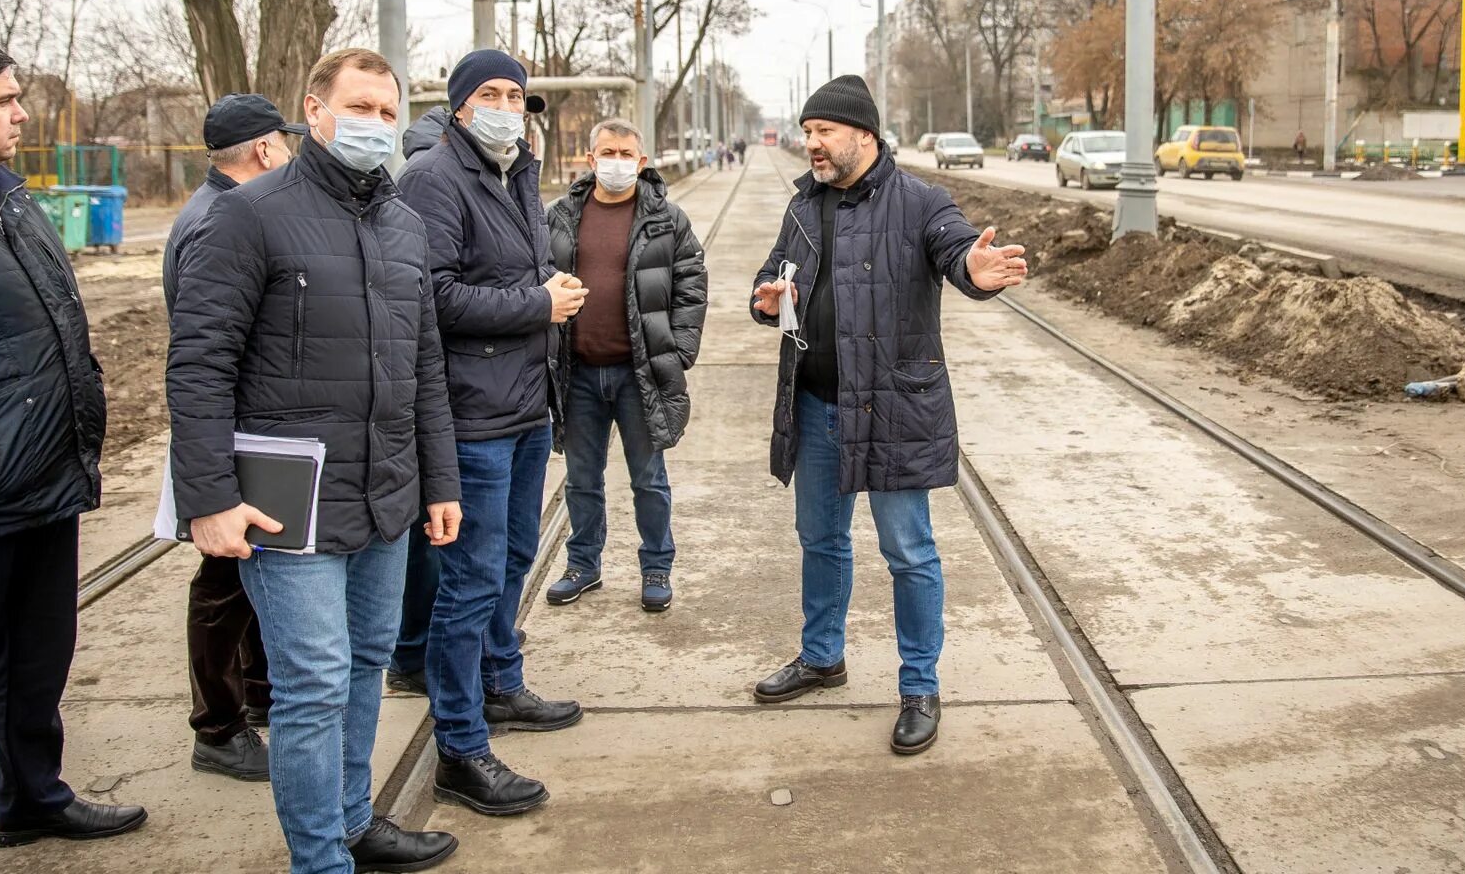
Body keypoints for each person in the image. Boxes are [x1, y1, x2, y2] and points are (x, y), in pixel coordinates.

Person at [167, 48, 462, 874]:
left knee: (367, 662)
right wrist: (209, 496)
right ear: (314, 110)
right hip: (285, 502)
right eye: (359, 107)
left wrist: (439, 481)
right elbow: (198, 363)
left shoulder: (406, 226)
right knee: (313, 684)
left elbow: (425, 366)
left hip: (387, 495)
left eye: (386, 110)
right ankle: (319, 859)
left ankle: (352, 820)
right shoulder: (250, 215)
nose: (374, 124)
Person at [0, 33, 147, 869]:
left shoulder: (4, 193)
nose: (21, 113)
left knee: (38, 665)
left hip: (43, 484)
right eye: (3, 101)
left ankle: (32, 798)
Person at [748, 75, 1028, 756]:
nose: (811, 143)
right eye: (808, 132)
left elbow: (955, 248)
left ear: (864, 136)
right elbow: (770, 277)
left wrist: (974, 267)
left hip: (896, 407)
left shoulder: (919, 202)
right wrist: (763, 299)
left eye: (824, 133)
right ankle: (822, 657)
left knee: (908, 552)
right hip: (814, 406)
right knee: (820, 538)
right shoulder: (802, 208)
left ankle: (919, 687)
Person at [396, 49, 583, 817]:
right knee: (468, 581)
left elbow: (511, 275)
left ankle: (501, 682)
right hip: (472, 415)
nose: (508, 104)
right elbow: (433, 296)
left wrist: (547, 296)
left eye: (517, 92)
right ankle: (460, 747)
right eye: (493, 93)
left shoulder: (514, 172)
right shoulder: (435, 178)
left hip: (523, 405)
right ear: (461, 104)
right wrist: (538, 306)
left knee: (510, 556)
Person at [163, 93, 303, 783]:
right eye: (288, 141)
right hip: (236, 432)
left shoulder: (215, 211)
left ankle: (254, 696)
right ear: (266, 150)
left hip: (245, 429)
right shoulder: (222, 219)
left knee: (246, 573)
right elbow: (205, 353)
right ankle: (218, 727)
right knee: (224, 579)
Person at [544, 118, 708, 612]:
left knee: (648, 478)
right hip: (577, 373)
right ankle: (583, 565)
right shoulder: (558, 216)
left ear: (641, 162)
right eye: (607, 152)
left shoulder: (667, 219)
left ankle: (656, 566)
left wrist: (677, 351)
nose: (617, 161)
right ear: (590, 160)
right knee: (580, 480)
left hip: (639, 373)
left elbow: (692, 284)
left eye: (626, 153)